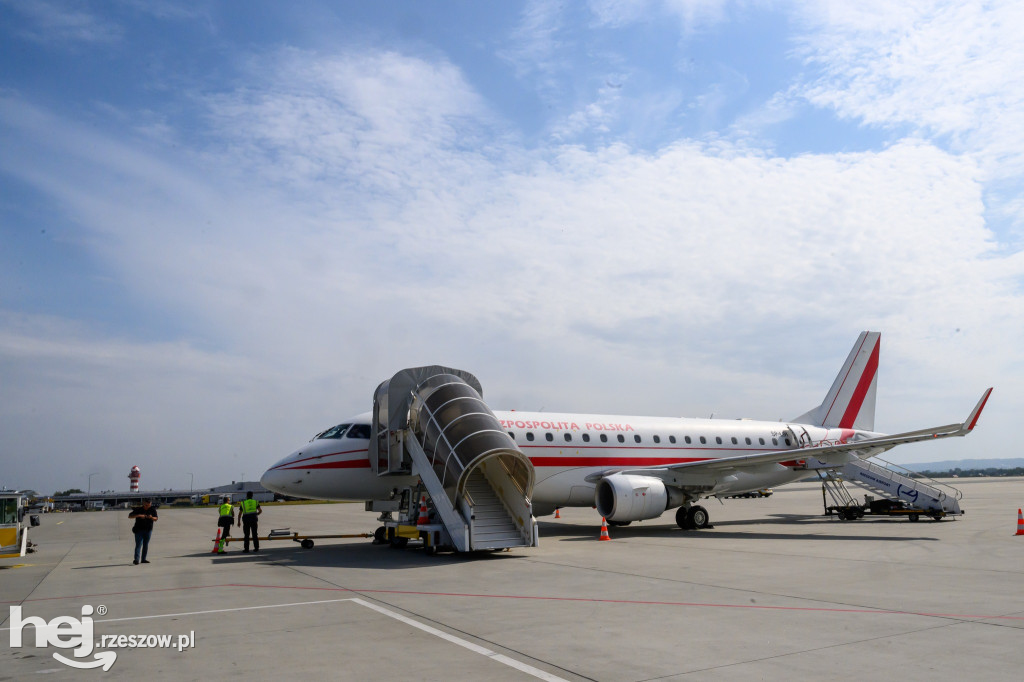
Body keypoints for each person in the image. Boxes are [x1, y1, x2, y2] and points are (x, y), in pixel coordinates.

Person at [128, 499, 158, 565]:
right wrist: (138, 515)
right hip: (139, 530)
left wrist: (151, 517)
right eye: (146, 505)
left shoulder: (152, 509)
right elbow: (130, 516)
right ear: (143, 504)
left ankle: (143, 559)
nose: (148, 506)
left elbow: (156, 519)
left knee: (145, 545)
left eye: (149, 505)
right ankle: (136, 559)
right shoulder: (138, 509)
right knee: (138, 545)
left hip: (148, 530)